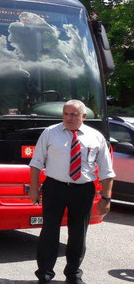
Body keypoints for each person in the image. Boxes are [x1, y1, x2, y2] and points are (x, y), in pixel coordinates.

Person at [28, 100, 115, 284]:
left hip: (83, 190)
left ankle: (73, 275)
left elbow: (107, 171)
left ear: (84, 116)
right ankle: (44, 274)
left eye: (74, 114)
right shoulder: (50, 133)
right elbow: (36, 163)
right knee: (49, 232)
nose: (69, 117)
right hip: (54, 187)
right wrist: (34, 189)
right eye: (66, 113)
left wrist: (106, 197)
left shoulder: (95, 137)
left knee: (78, 234)